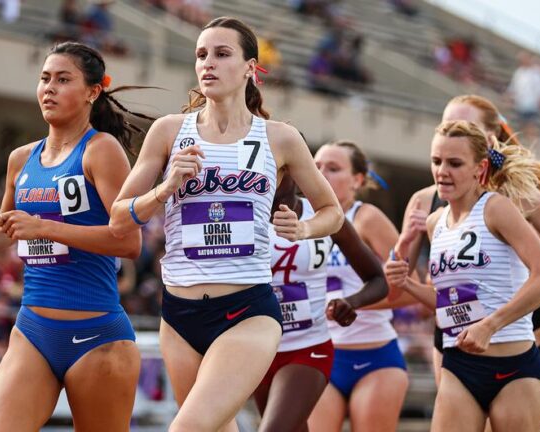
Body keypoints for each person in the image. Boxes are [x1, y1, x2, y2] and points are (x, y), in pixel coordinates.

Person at [108, 17, 343, 432]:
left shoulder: (280, 137)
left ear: (250, 68)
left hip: (247, 311)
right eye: (201, 55)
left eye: (221, 54)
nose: (208, 64)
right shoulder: (168, 132)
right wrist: (165, 190)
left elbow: (332, 212)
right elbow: (118, 216)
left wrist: (302, 230)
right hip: (179, 315)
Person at [0, 41, 149, 431]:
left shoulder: (101, 151)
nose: (49, 88)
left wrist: (45, 227)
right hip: (33, 330)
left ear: (93, 92)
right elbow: (7, 222)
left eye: (62, 79)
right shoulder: (21, 158)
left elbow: (129, 242)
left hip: (97, 335)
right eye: (44, 79)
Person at [383, 95, 540, 419]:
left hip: (516, 345)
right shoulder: (430, 211)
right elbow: (419, 290)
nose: (443, 169)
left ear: (488, 142)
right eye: (437, 159)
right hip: (457, 346)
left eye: (469, 128)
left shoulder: (508, 203)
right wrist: (401, 279)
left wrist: (508, 276)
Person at [253, 173, 387, 432]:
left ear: (296, 169)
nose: (270, 173)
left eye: (280, 166)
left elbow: (377, 280)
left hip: (308, 348)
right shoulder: (243, 215)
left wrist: (351, 301)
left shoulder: (324, 216)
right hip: (258, 350)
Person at [307, 141, 408, 432]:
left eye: (333, 168)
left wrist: (353, 303)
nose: (322, 173)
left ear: (358, 180)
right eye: (316, 167)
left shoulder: (367, 218)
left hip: (374, 354)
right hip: (320, 353)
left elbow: (411, 291)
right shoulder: (301, 219)